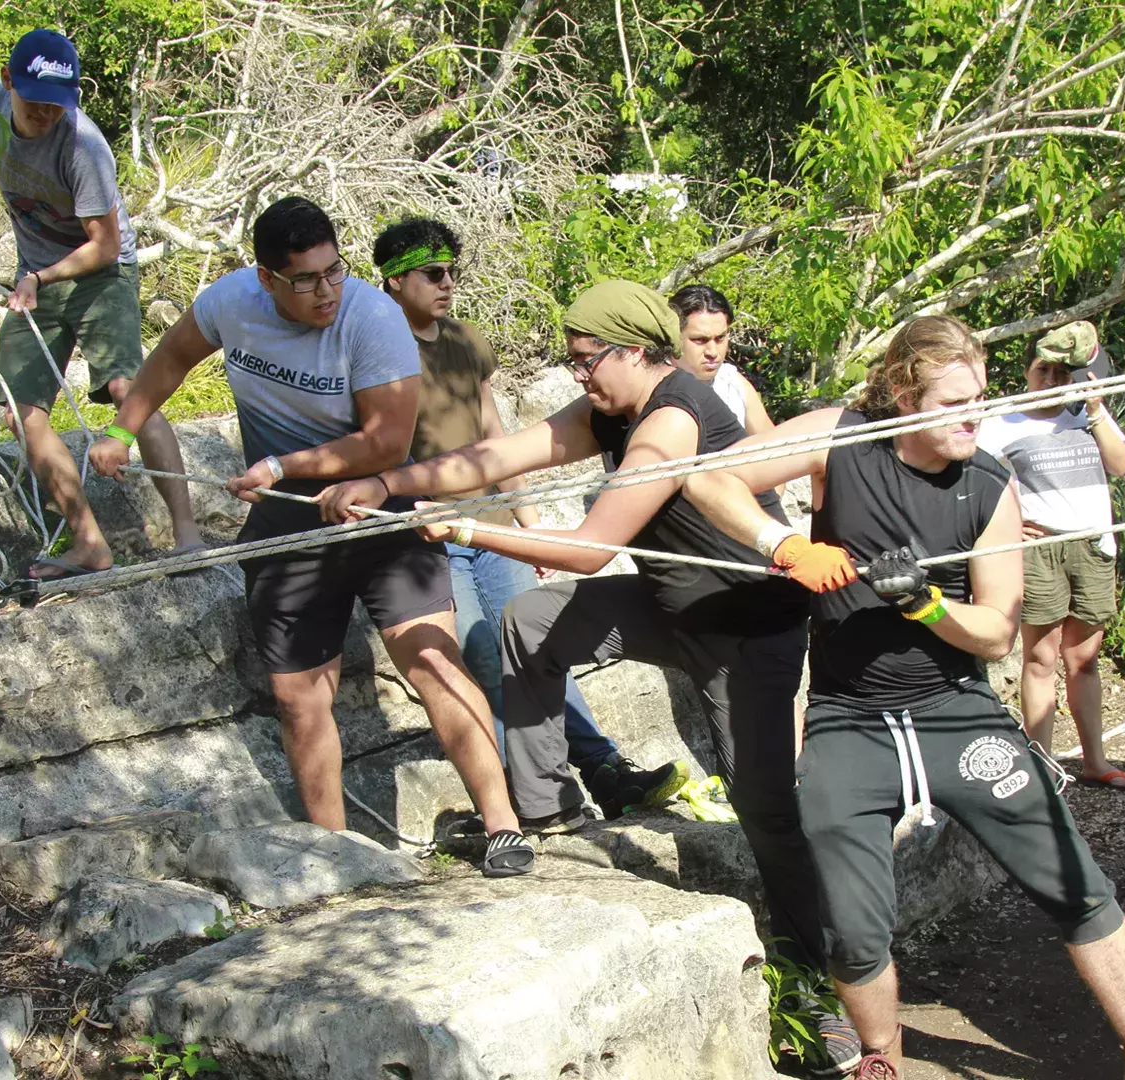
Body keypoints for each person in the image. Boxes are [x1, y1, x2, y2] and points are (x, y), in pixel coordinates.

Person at [318, 280, 858, 1068]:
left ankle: (816, 978)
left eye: (586, 360)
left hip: (747, 631)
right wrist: (389, 483)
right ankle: (545, 808)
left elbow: (589, 549)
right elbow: (500, 453)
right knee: (529, 623)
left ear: (634, 350)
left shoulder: (671, 422)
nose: (578, 376)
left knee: (767, 810)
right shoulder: (613, 409)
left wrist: (471, 530)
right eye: (572, 362)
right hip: (671, 608)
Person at [679, 316, 1125, 1080]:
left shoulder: (988, 486)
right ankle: (882, 1060)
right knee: (853, 923)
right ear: (902, 395)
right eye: (955, 403)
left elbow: (994, 634)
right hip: (849, 719)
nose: (973, 417)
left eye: (980, 400)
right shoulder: (841, 438)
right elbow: (705, 478)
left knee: (1076, 883)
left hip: (956, 710)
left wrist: (926, 605)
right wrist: (782, 545)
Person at [86, 196, 532, 877]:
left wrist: (281, 465)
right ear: (266, 278)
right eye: (306, 280)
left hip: (378, 501)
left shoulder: (373, 318)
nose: (326, 291)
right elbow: (170, 360)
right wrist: (122, 429)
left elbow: (385, 440)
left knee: (432, 661)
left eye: (334, 272)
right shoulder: (231, 303)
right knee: (299, 696)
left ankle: (503, 825)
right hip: (286, 517)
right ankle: (338, 850)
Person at [371, 217, 684, 819]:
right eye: (433, 274)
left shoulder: (465, 340)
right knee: (482, 658)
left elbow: (495, 433)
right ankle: (532, 796)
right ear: (393, 280)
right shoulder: (376, 350)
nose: (447, 284)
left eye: (452, 273)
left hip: (491, 524)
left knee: (538, 647)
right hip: (426, 535)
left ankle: (605, 770)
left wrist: (530, 523)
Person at [0, 28, 203, 579]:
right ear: (8, 83)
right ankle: (89, 543)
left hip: (101, 272)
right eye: (36, 101)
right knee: (22, 413)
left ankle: (187, 534)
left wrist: (40, 277)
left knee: (127, 391)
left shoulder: (83, 145)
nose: (47, 113)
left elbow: (105, 244)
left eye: (58, 102)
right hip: (36, 277)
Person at [974, 320, 1125, 788]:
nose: (1050, 381)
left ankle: (1095, 761)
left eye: (1061, 373)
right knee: (1041, 660)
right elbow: (974, 479)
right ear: (1027, 371)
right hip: (1040, 549)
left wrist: (1095, 408)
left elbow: (1120, 466)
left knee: (1083, 659)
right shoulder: (1001, 421)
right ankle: (1042, 768)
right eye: (1042, 370)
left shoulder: (1087, 416)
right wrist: (1008, 525)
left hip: (1092, 545)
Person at [669, 284, 774, 435]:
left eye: (720, 338)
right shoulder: (652, 385)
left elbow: (773, 447)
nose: (712, 352)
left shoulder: (733, 383)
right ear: (673, 338)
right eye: (699, 340)